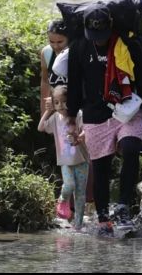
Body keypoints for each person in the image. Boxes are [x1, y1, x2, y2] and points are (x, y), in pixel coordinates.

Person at [66, 3, 142, 234]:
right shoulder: (80, 46)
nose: (99, 40)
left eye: (103, 35)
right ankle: (103, 218)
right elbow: (74, 83)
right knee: (100, 166)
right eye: (95, 36)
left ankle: (122, 206)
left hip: (128, 108)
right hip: (95, 113)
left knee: (131, 148)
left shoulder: (128, 45)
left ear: (111, 28)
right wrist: (71, 116)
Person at [38, 85, 89, 230]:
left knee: (80, 194)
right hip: (65, 162)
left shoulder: (78, 114)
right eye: (57, 102)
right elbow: (41, 127)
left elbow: (86, 130)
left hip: (82, 161)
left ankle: (78, 225)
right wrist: (48, 111)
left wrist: (79, 137)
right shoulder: (55, 118)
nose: (61, 106)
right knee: (69, 185)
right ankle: (62, 200)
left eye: (64, 101)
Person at [40, 20, 69, 115]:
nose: (56, 46)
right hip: (56, 109)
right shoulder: (46, 52)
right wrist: (44, 112)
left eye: (60, 42)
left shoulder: (75, 53)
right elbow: (45, 82)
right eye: (51, 42)